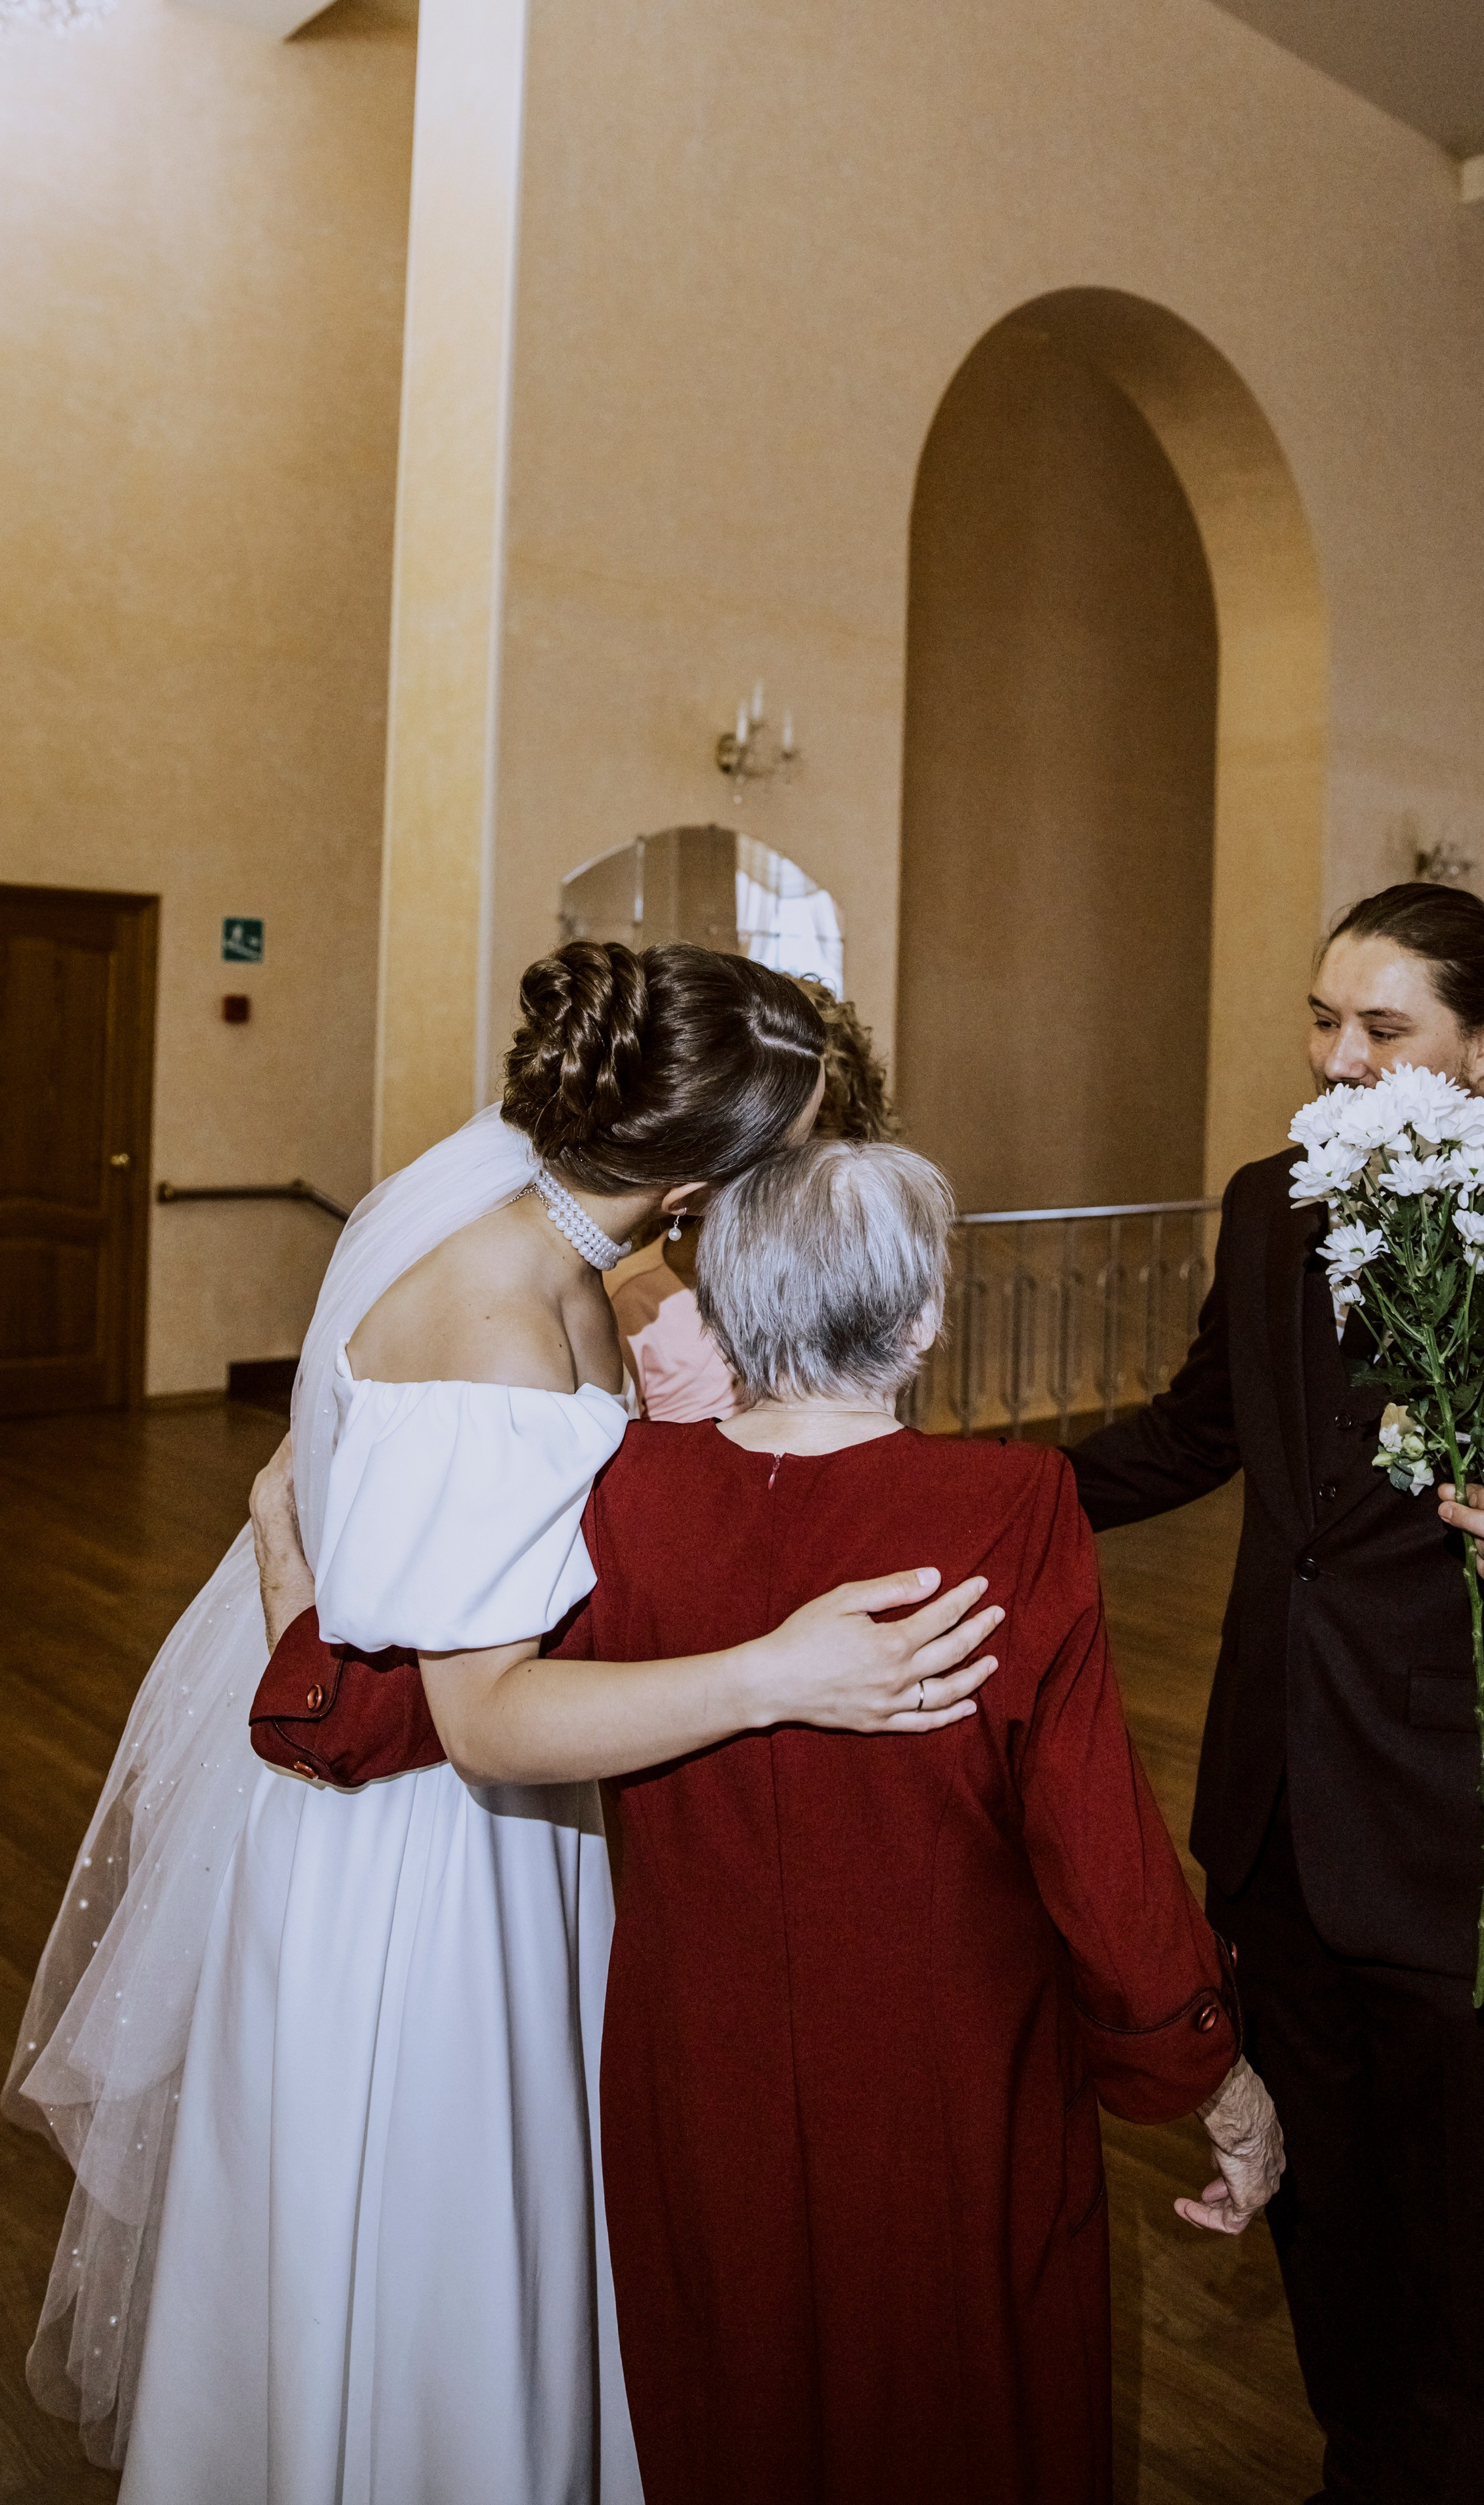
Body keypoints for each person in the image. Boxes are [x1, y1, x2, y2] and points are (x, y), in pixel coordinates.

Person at [4, 940, 1003, 2503]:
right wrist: (782, 1672)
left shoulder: (538, 1249)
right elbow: (481, 1716)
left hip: (491, 1838)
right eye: (789, 1144)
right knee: (441, 2265)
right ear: (702, 1163)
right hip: (431, 1867)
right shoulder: (503, 1318)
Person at [253, 1138, 1285, 2505]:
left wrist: (287, 1556)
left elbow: (379, 1711)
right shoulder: (1009, 1507)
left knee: (724, 2395)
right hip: (948, 2071)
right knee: (960, 2408)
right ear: (922, 1320)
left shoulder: (615, 1495)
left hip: (694, 2061)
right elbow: (1095, 1846)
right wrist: (1211, 2073)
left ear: (726, 1314)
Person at [1068, 883, 1484, 2505]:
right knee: (1320, 2215)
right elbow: (1189, 1431)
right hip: (1274, 1814)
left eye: (1379, 1026)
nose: (1332, 1056)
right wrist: (945, 1503)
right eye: (1318, 1020)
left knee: (1457, 2265)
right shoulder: (1265, 1203)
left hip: (1468, 1852)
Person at [613, 974, 896, 1422]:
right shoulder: (633, 1300)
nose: (788, 1172)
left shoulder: (855, 1281)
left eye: (814, 1140)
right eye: (775, 1145)